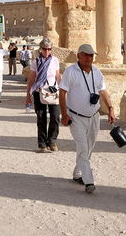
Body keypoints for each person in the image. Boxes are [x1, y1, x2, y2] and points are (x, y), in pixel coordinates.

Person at [59, 44, 115, 194]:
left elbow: (103, 91)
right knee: (83, 148)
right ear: (79, 56)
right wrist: (64, 114)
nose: (90, 58)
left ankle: (78, 173)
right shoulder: (71, 72)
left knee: (88, 148)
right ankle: (89, 181)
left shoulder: (96, 72)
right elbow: (62, 93)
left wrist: (110, 108)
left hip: (94, 116)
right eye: (86, 55)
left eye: (91, 55)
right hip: (76, 117)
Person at [25, 38, 61, 153]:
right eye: (44, 49)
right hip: (39, 91)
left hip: (53, 91)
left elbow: (58, 77)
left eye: (49, 49)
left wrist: (63, 92)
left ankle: (52, 141)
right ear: (41, 49)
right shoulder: (36, 62)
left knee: (55, 117)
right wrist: (28, 96)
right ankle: (42, 143)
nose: (46, 51)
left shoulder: (55, 60)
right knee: (41, 118)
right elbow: (31, 79)